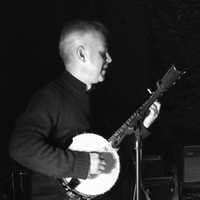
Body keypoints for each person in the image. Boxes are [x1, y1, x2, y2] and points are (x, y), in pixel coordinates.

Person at [8, 20, 161, 200]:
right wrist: (82, 164)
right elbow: (20, 147)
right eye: (103, 52)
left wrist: (142, 126)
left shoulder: (96, 101)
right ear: (82, 54)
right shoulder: (50, 97)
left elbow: (110, 153)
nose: (110, 59)